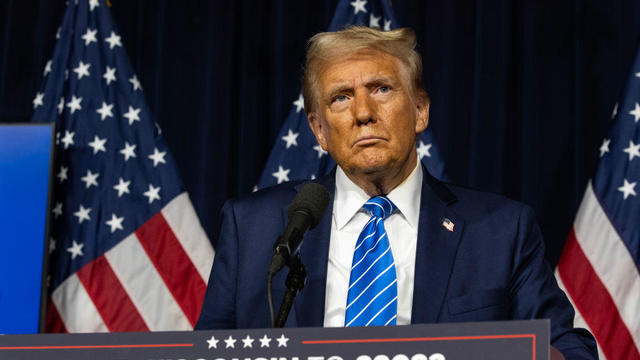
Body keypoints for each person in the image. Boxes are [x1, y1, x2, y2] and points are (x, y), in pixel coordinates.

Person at [196, 26, 597, 359]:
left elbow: (570, 348)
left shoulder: (500, 230)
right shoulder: (254, 226)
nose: (363, 113)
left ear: (421, 110)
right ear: (319, 129)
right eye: (341, 98)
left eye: (382, 89)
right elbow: (206, 350)